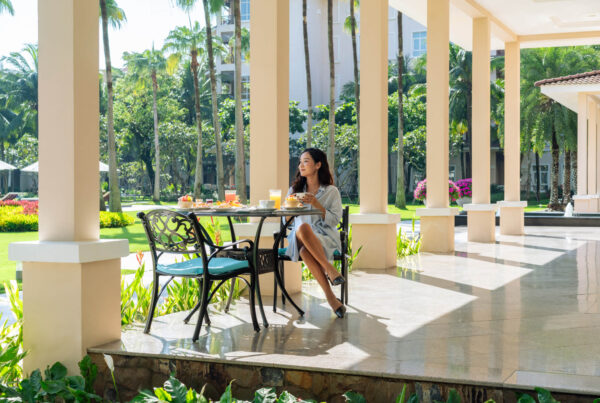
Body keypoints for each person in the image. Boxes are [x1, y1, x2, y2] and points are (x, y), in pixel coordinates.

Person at [285, 148, 346, 318]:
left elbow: (334, 221)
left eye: (306, 161)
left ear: (318, 165)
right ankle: (330, 269)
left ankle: (331, 299)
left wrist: (316, 204)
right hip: (297, 236)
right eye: (300, 162)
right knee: (302, 227)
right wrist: (291, 208)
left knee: (305, 251)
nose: (301, 165)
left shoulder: (331, 191)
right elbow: (286, 223)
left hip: (323, 237)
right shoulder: (294, 191)